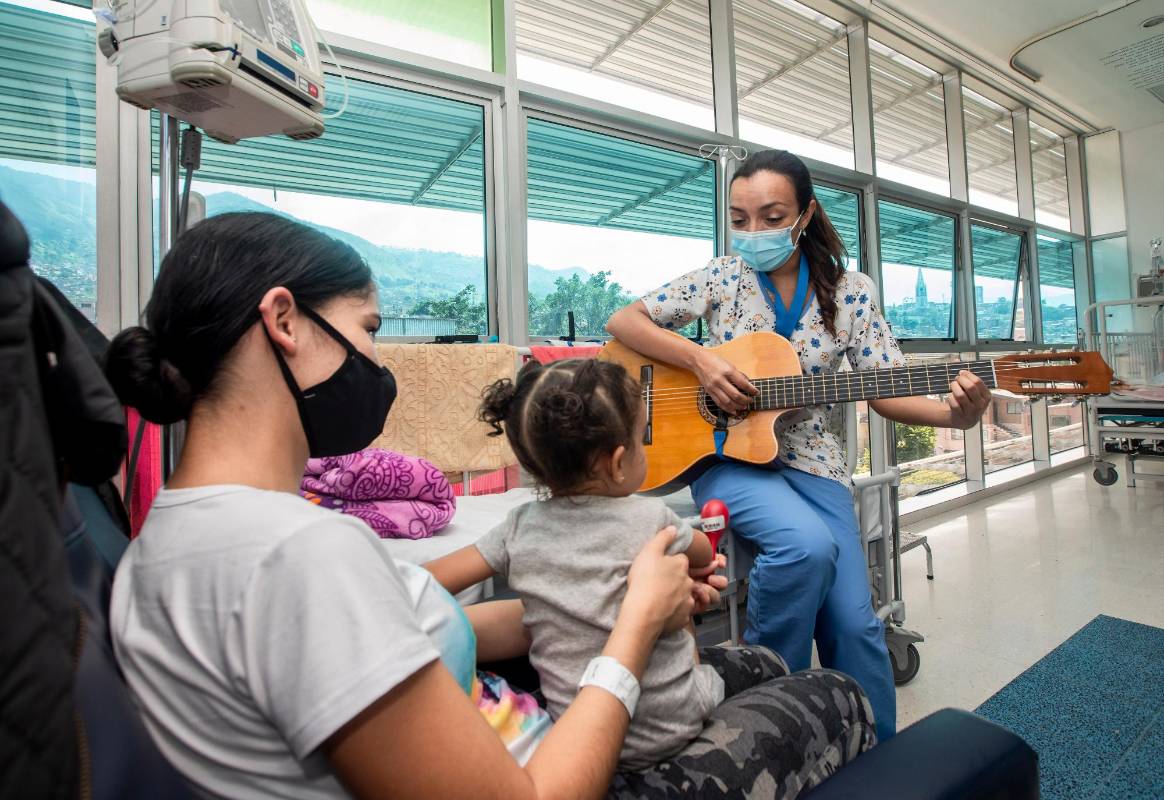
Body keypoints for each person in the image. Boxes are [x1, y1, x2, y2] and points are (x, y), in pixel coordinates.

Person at [104, 211, 875, 799]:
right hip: (559, 772)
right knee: (834, 695)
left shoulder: (168, 542)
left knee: (759, 660)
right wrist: (637, 622)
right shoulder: (297, 557)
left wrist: (602, 597)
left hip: (513, 711)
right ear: (283, 322)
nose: (376, 358)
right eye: (368, 328)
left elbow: (387, 633)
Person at [607, 149, 992, 744]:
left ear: (805, 214)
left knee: (857, 625)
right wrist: (702, 362)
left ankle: (875, 752)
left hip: (814, 462)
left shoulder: (851, 293)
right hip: (726, 456)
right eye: (740, 219)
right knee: (805, 547)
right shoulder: (723, 277)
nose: (753, 232)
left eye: (771, 217)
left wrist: (954, 416)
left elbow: (885, 390)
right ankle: (767, 717)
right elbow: (625, 322)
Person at [428, 358, 725, 770]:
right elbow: (704, 553)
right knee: (739, 671)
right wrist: (699, 563)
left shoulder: (517, 528)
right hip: (675, 726)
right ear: (618, 462)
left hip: (574, 735)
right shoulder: (651, 519)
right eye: (642, 440)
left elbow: (424, 582)